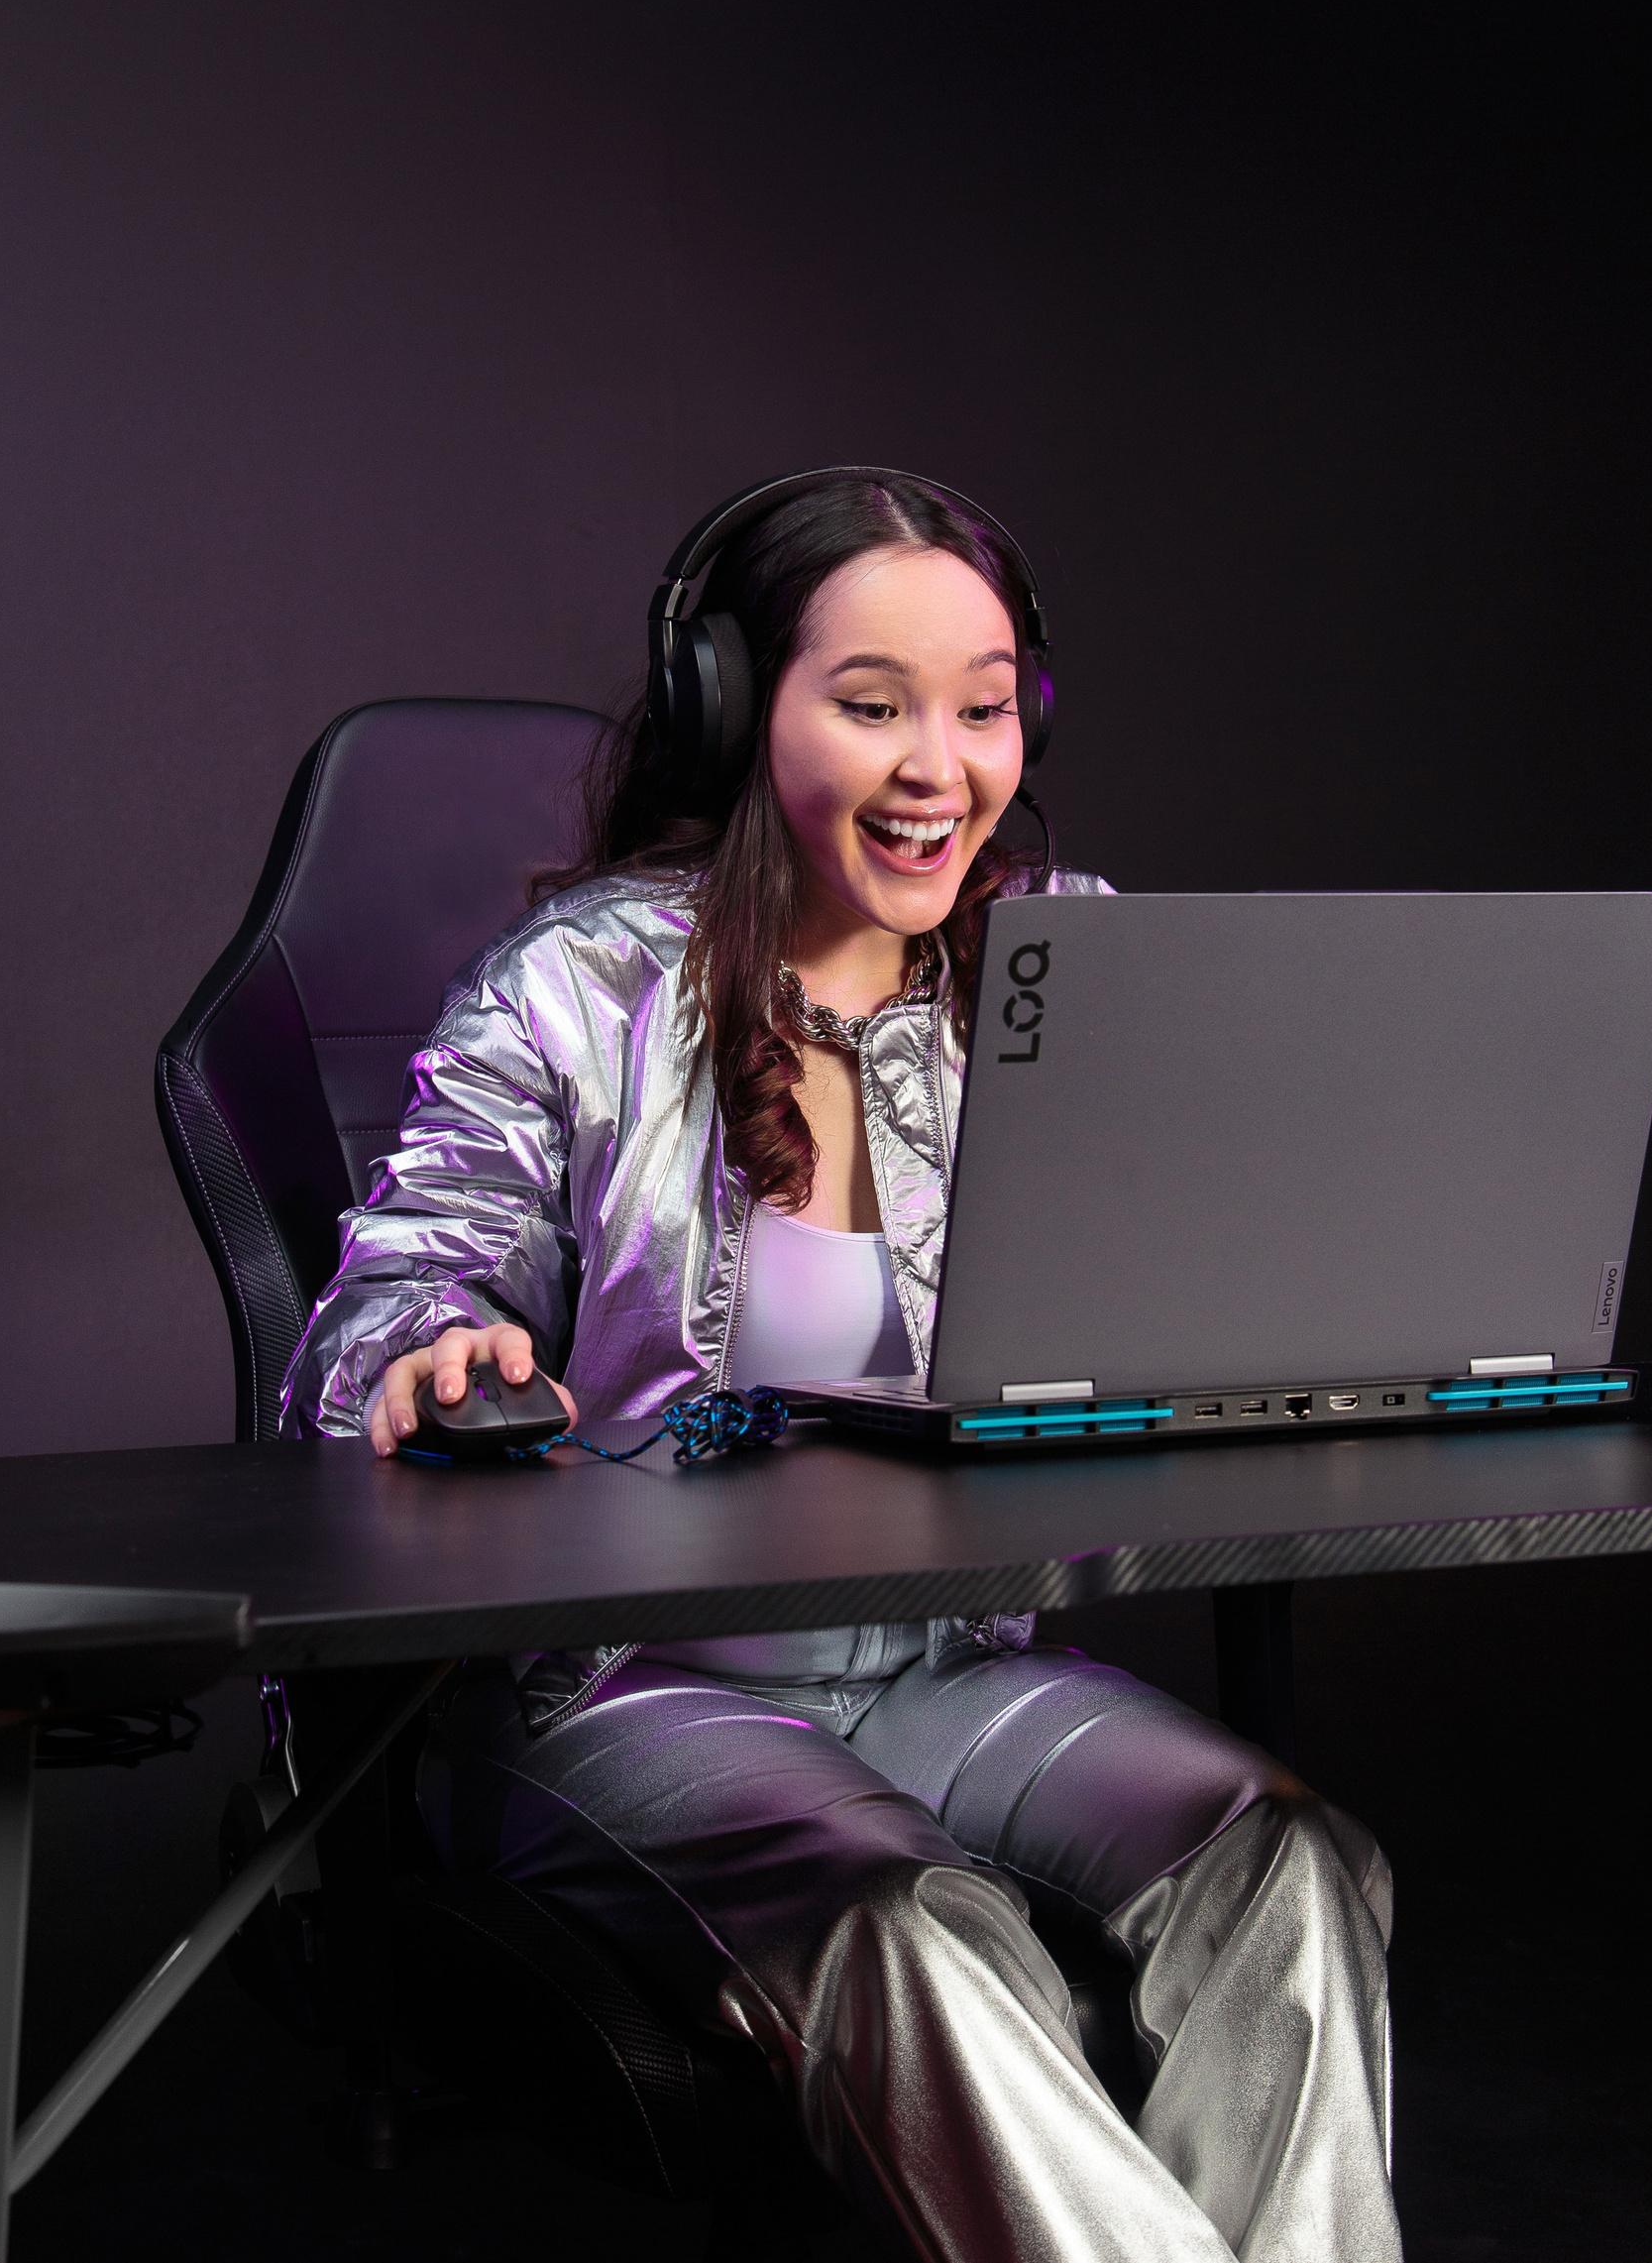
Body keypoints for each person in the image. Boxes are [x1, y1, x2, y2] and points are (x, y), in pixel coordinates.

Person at [280, 469, 1400, 2263]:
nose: (938, 766)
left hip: (957, 1662)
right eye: (874, 705)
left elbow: (1218, 1259)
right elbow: (396, 1281)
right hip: (635, 1688)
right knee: (905, 1916)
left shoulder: (1068, 957)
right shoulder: (578, 986)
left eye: (983, 706)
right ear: (736, 707)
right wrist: (431, 1337)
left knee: (1288, 1859)